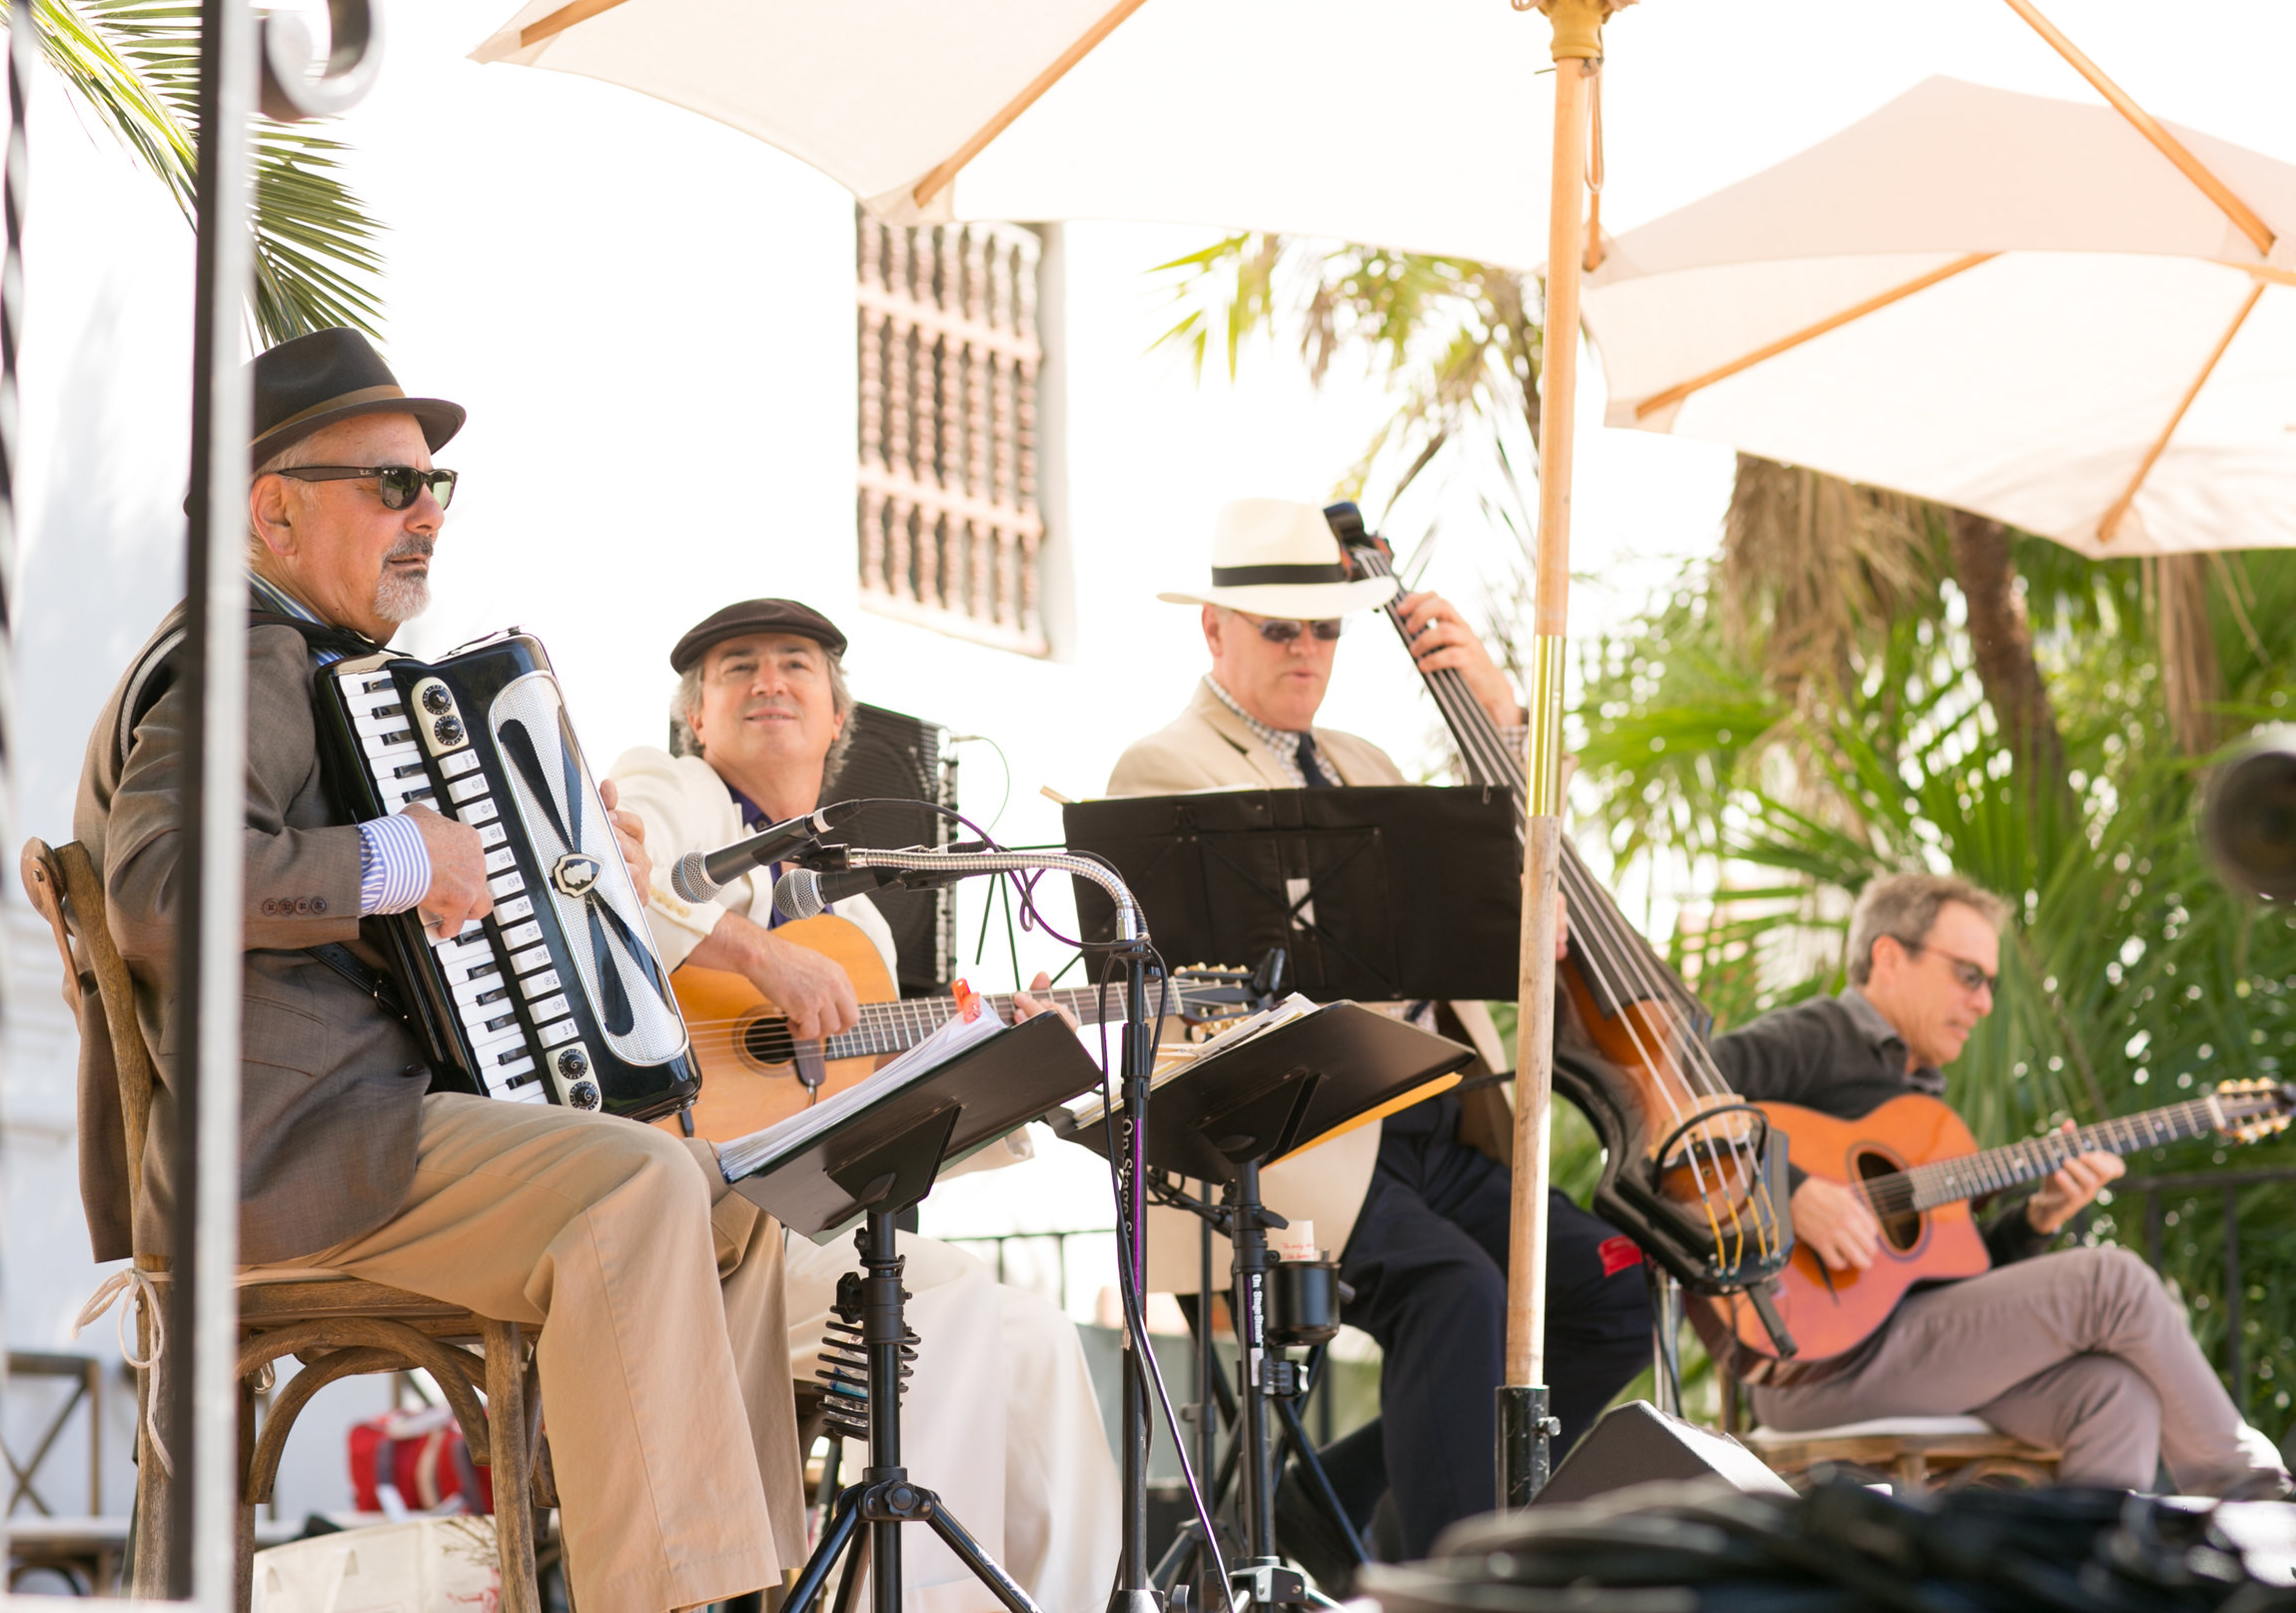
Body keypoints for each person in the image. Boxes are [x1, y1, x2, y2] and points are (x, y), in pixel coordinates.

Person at [71, 329, 804, 1612]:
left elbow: (414, 903)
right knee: (632, 1185)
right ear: (274, 509)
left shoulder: (319, 666)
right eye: (391, 486)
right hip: (281, 1155)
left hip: (354, 1132)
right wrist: (397, 857)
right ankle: (666, 1594)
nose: (426, 517)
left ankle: (728, 1578)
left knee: (728, 1191)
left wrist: (560, 858)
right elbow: (158, 887)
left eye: (436, 489)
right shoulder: (239, 655)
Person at [1105, 497, 1655, 1554]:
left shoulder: (1362, 759)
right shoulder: (1165, 766)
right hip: (1293, 1139)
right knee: (1457, 1289)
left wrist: (1505, 723)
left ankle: (1336, 1500)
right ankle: (1461, 1579)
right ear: (1214, 629)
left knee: (1611, 1287)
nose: (1307, 649)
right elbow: (1250, 975)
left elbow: (1509, 870)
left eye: (1326, 628)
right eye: (1280, 628)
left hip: (1429, 1121)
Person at [606, 598, 1121, 1613]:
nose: (768, 681)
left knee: (1041, 1343)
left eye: (795, 664)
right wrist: (758, 954)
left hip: (792, 1228)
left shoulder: (854, 926)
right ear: (695, 720)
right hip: (667, 1211)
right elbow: (606, 890)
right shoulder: (669, 792)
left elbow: (878, 1133)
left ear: (838, 717)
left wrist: (994, 1058)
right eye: (735, 668)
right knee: (952, 1302)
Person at [1718, 871, 2292, 1496]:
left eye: (1990, 984)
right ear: (1889, 957)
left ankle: (2089, 1585)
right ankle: (2254, 1498)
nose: (1986, 1003)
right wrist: (1794, 1190)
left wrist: (2037, 1219)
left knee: (2112, 1394)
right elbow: (1675, 1098)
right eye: (1969, 975)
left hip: (1902, 1350)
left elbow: (1949, 1277)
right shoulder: (1818, 1036)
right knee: (2111, 1279)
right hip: (1806, 1364)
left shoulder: (1924, 1104)